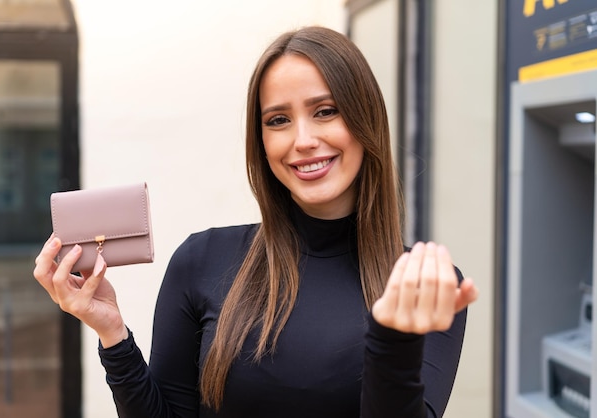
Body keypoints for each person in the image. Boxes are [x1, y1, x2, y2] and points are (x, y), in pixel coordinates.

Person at [34, 26, 478, 417]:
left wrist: (394, 339)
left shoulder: (422, 292)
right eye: (278, 120)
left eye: (325, 111)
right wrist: (112, 332)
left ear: (366, 121)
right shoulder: (201, 261)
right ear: (261, 141)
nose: (303, 140)